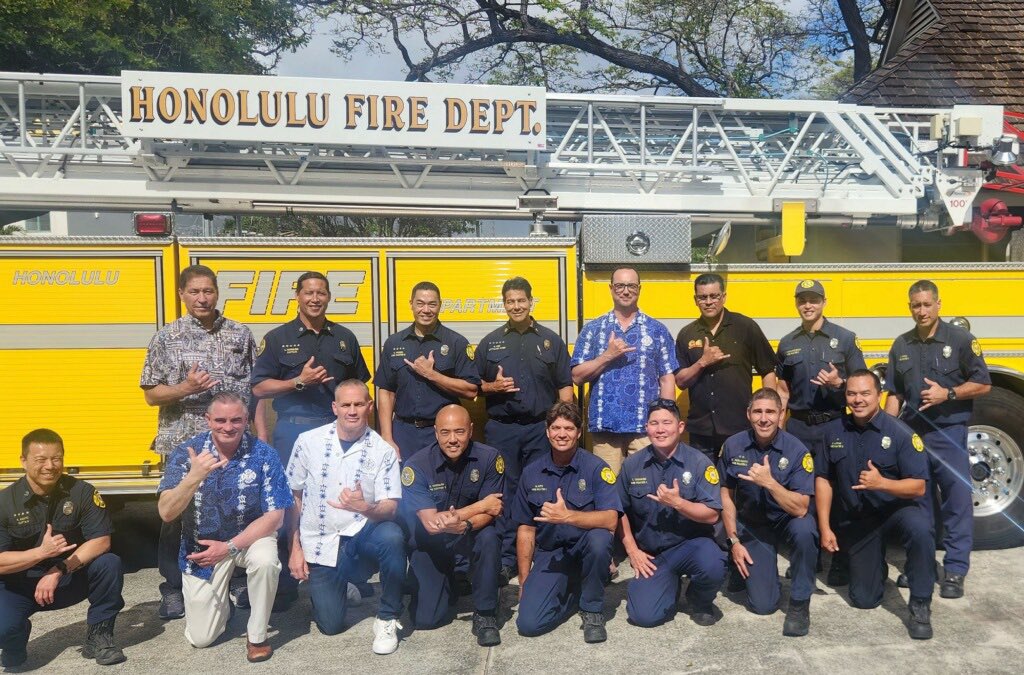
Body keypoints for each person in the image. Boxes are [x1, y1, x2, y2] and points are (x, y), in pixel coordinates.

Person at [141, 264, 258, 619]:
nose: (202, 298)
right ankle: (172, 588)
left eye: (208, 291)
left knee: (237, 509)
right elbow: (151, 394)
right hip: (184, 442)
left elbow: (256, 389)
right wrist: (186, 388)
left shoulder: (240, 334)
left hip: (233, 441)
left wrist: (259, 435)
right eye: (194, 292)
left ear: (217, 292)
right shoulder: (167, 337)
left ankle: (237, 579)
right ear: (181, 294)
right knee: (175, 515)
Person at [251, 270, 371, 609]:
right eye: (308, 293)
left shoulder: (345, 337)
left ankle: (344, 577)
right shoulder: (277, 338)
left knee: (341, 500)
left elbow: (360, 388)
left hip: (338, 431)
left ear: (329, 297)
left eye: (321, 293)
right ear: (298, 296)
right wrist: (297, 382)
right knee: (292, 502)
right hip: (295, 430)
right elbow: (258, 387)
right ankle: (287, 583)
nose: (315, 299)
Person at [157, 393, 292, 662]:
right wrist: (193, 477)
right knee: (201, 639)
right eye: (220, 420)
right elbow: (166, 512)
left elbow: (276, 516)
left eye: (236, 420)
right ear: (208, 420)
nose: (228, 427)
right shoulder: (187, 453)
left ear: (246, 421)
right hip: (204, 547)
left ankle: (257, 636)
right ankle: (223, 609)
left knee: (266, 562)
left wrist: (230, 547)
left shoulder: (264, 454)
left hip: (249, 538)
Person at [883, 279, 991, 599]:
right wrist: (887, 433)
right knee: (920, 503)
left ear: (939, 304)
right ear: (909, 307)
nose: (922, 311)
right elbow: (895, 393)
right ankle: (924, 565)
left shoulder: (960, 340)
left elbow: (983, 384)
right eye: (916, 305)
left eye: (927, 304)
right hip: (914, 436)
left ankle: (955, 570)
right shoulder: (901, 345)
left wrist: (950, 393)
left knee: (956, 502)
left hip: (948, 433)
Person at [286, 380, 406, 656]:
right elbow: (293, 496)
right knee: (330, 625)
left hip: (361, 536)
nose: (352, 411)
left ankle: (387, 617)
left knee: (392, 537)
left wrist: (364, 506)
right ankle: (344, 585)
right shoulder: (308, 442)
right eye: (346, 405)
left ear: (369, 406)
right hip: (321, 538)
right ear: (335, 407)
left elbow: (390, 508)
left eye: (359, 404)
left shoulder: (383, 450)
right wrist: (295, 547)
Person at [817, 370, 935, 640]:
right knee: (864, 600)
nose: (858, 400)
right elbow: (823, 479)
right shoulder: (833, 432)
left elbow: (918, 486)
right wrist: (824, 527)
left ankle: (920, 602)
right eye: (851, 393)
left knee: (921, 530)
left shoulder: (900, 432)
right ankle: (875, 567)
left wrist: (883, 484)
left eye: (865, 393)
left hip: (896, 511)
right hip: (860, 519)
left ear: (879, 395)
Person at [0, 429, 126, 668]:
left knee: (109, 563)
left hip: (66, 579)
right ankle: (14, 638)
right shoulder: (5, 502)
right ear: (23, 461)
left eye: (56, 458)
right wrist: (40, 553)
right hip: (20, 586)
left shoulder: (81, 492)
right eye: (41, 459)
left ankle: (99, 636)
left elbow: (101, 541)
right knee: (4, 628)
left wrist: (58, 568)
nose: (50, 466)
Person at [476, 276, 573, 583]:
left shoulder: (550, 340)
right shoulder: (490, 342)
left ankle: (542, 552)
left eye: (521, 300)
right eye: (510, 301)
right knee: (504, 492)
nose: (516, 306)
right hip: (502, 430)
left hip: (538, 430)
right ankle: (506, 558)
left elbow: (564, 385)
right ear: (504, 304)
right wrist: (491, 386)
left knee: (540, 489)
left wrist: (563, 423)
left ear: (531, 302)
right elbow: (471, 385)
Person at [775, 279, 865, 586]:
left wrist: (839, 384)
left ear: (824, 302)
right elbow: (783, 385)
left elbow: (860, 384)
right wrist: (778, 421)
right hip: (799, 426)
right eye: (802, 300)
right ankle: (808, 555)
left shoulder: (845, 339)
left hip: (835, 424)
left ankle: (839, 560)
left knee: (840, 492)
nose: (808, 305)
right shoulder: (787, 343)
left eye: (813, 299)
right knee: (804, 492)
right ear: (796, 303)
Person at [512, 402, 621, 643]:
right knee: (529, 624)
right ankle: (575, 592)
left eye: (569, 428)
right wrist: (523, 581)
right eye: (557, 428)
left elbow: (611, 519)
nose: (562, 434)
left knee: (600, 538)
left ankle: (592, 610)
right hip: (551, 555)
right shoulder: (531, 473)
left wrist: (568, 516)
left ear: (579, 433)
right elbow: (526, 528)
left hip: (586, 549)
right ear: (547, 431)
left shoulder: (596, 468)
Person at [401, 405, 504, 645]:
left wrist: (466, 524)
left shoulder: (490, 458)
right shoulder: (416, 466)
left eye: (459, 431)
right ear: (436, 433)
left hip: (471, 532)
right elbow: (431, 524)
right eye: (445, 432)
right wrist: (476, 508)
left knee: (489, 538)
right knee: (426, 619)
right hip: (432, 542)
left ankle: (485, 613)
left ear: (470, 430)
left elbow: (494, 510)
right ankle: (450, 581)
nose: (453, 439)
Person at [617, 399, 726, 629]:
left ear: (680, 427)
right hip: (652, 554)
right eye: (654, 423)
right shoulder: (632, 465)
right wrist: (632, 549)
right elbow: (619, 511)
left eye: (667, 422)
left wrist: (679, 503)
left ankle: (699, 600)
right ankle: (669, 585)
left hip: (691, 546)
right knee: (644, 617)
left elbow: (712, 514)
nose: (660, 429)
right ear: (646, 428)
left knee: (714, 562)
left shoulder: (698, 463)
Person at [719, 389, 817, 636]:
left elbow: (801, 507)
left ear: (781, 415)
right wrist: (733, 541)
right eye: (758, 411)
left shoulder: (797, 450)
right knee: (763, 606)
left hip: (786, 520)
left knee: (806, 529)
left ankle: (799, 602)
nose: (764, 419)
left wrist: (770, 483)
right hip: (753, 525)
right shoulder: (733, 445)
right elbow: (726, 496)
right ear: (748, 414)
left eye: (770, 412)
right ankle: (742, 567)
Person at [571, 267, 678, 475]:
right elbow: (576, 376)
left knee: (646, 488)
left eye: (631, 286)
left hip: (645, 429)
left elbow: (667, 379)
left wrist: (666, 421)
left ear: (639, 289)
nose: (625, 291)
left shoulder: (657, 330)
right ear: (611, 289)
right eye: (620, 285)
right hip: (606, 429)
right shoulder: (593, 330)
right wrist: (607, 356)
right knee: (608, 489)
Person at [675, 273, 777, 462]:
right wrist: (702, 362)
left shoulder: (745, 327)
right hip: (701, 431)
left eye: (714, 296)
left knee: (741, 485)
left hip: (740, 428)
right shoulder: (687, 334)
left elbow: (768, 370)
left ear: (724, 297)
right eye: (702, 297)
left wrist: (769, 411)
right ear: (695, 300)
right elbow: (680, 381)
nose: (708, 302)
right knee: (704, 488)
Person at [375, 281, 480, 458]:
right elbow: (386, 392)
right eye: (420, 303)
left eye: (432, 304)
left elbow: (471, 390)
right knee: (405, 484)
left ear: (440, 305)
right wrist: (387, 436)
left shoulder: (456, 343)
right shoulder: (394, 343)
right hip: (404, 434)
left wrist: (432, 375)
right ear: (411, 304)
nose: (426, 310)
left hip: (442, 435)